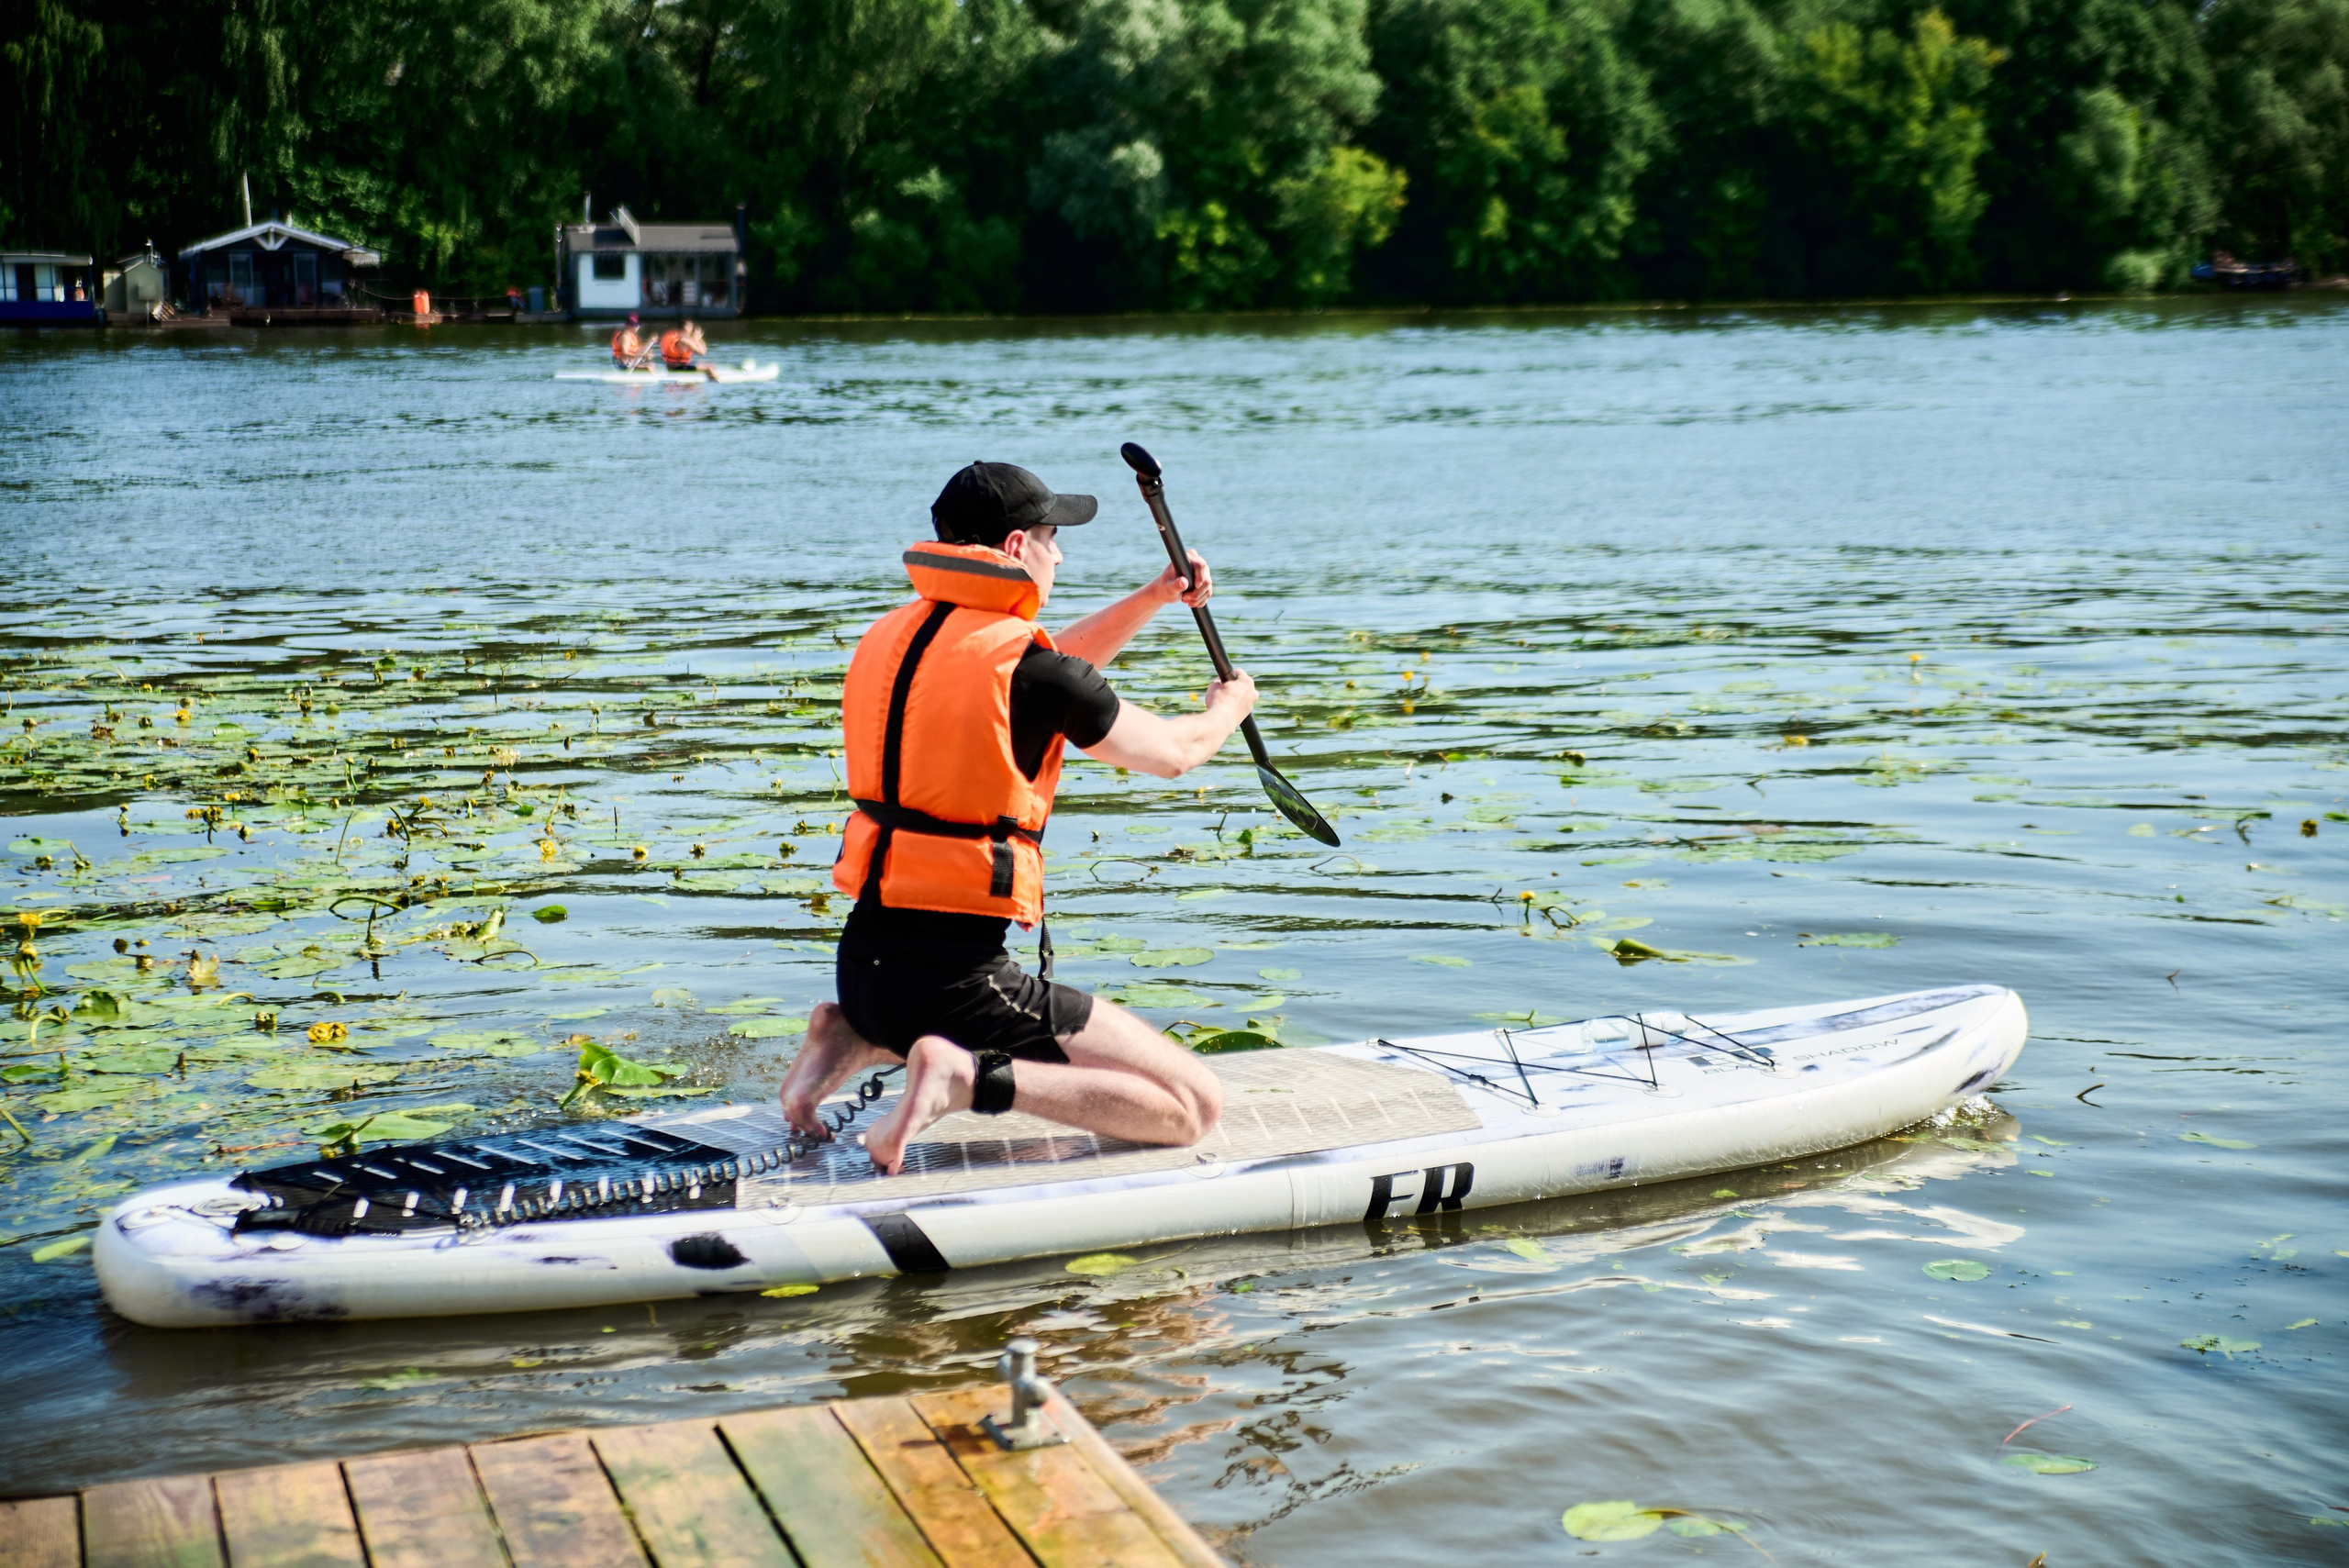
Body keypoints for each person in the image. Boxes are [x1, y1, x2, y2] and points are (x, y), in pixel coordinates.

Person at [778, 461, 1257, 1173]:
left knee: (906, 1004)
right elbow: (1172, 753)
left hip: (866, 971)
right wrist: (1229, 710)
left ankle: (846, 1034)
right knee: (1191, 1105)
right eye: (1050, 535)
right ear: (1012, 547)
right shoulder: (1030, 672)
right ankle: (961, 1078)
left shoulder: (898, 636)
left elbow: (1046, 672)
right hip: (958, 985)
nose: (1059, 553)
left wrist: (1155, 597)